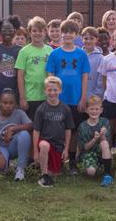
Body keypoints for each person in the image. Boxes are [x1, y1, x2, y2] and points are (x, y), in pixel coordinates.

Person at [46, 20, 90, 169]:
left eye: (71, 32)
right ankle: (56, 159)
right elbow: (50, 77)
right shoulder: (54, 54)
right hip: (59, 99)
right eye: (65, 32)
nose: (67, 35)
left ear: (76, 35)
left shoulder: (81, 54)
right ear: (60, 33)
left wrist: (83, 97)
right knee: (58, 129)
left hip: (75, 98)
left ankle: (72, 160)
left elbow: (84, 77)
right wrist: (52, 97)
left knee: (74, 130)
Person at [33, 76, 75, 188]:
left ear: (60, 90)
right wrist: (35, 151)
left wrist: (66, 149)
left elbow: (68, 129)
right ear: (45, 91)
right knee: (44, 145)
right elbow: (36, 130)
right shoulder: (41, 109)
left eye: (55, 90)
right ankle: (44, 175)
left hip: (58, 146)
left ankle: (49, 168)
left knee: (56, 173)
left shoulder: (65, 109)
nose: (52, 93)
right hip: (45, 142)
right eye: (49, 90)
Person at [0, 90, 33, 181]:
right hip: (2, 147)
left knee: (24, 134)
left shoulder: (19, 113)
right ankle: (9, 164)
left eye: (11, 103)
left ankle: (20, 168)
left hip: (16, 145)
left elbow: (31, 125)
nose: (8, 106)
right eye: (5, 103)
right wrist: (0, 155)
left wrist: (12, 129)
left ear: (15, 104)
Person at [15, 16, 54, 118]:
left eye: (40, 31)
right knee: (32, 126)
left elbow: (53, 73)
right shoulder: (24, 51)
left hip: (47, 95)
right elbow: (20, 76)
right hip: (30, 96)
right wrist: (22, 98)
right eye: (34, 31)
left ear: (45, 32)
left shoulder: (50, 50)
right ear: (29, 32)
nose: (37, 33)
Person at [76, 95, 113, 185]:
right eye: (91, 109)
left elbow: (108, 144)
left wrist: (102, 135)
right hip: (88, 153)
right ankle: (96, 167)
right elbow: (84, 148)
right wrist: (94, 139)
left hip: (102, 152)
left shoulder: (105, 122)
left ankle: (107, 174)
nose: (94, 111)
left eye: (97, 109)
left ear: (101, 110)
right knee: (91, 172)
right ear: (86, 110)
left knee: (104, 143)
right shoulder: (82, 126)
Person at [82, 26, 105, 100]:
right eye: (86, 38)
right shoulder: (78, 55)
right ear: (82, 39)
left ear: (96, 40)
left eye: (91, 38)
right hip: (78, 97)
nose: (88, 41)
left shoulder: (100, 58)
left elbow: (101, 81)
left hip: (93, 99)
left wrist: (95, 97)